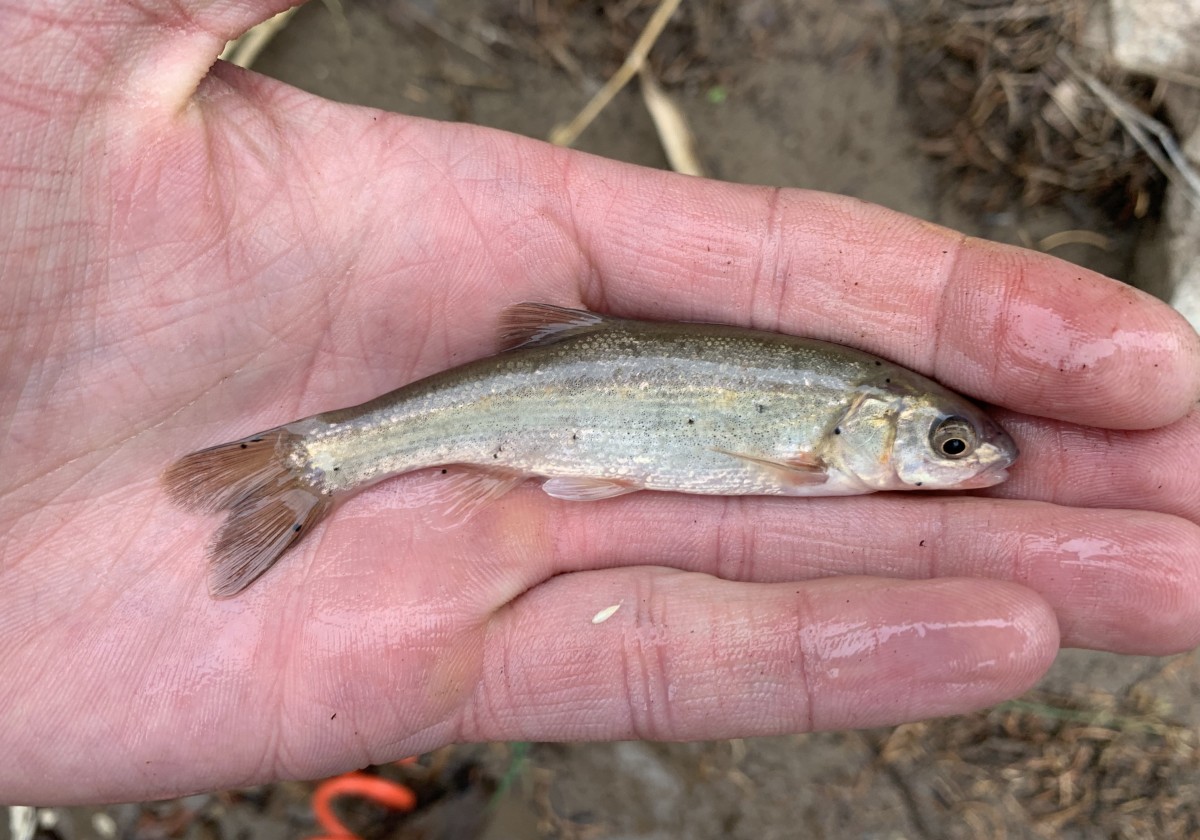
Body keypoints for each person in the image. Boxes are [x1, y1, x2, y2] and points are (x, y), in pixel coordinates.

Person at [3, 0, 1199, 806]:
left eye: (954, 445)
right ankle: (318, 462)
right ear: (872, 426)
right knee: (343, 456)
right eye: (948, 441)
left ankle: (319, 463)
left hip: (566, 406)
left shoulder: (841, 420)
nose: (967, 457)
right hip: (549, 402)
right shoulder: (827, 434)